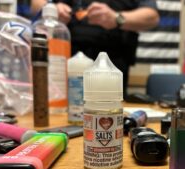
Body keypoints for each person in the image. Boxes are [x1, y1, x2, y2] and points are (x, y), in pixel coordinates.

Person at [31, 0, 159, 99]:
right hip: (63, 62)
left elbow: (152, 16)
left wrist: (117, 18)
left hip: (114, 63)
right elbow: (36, 4)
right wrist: (51, 9)